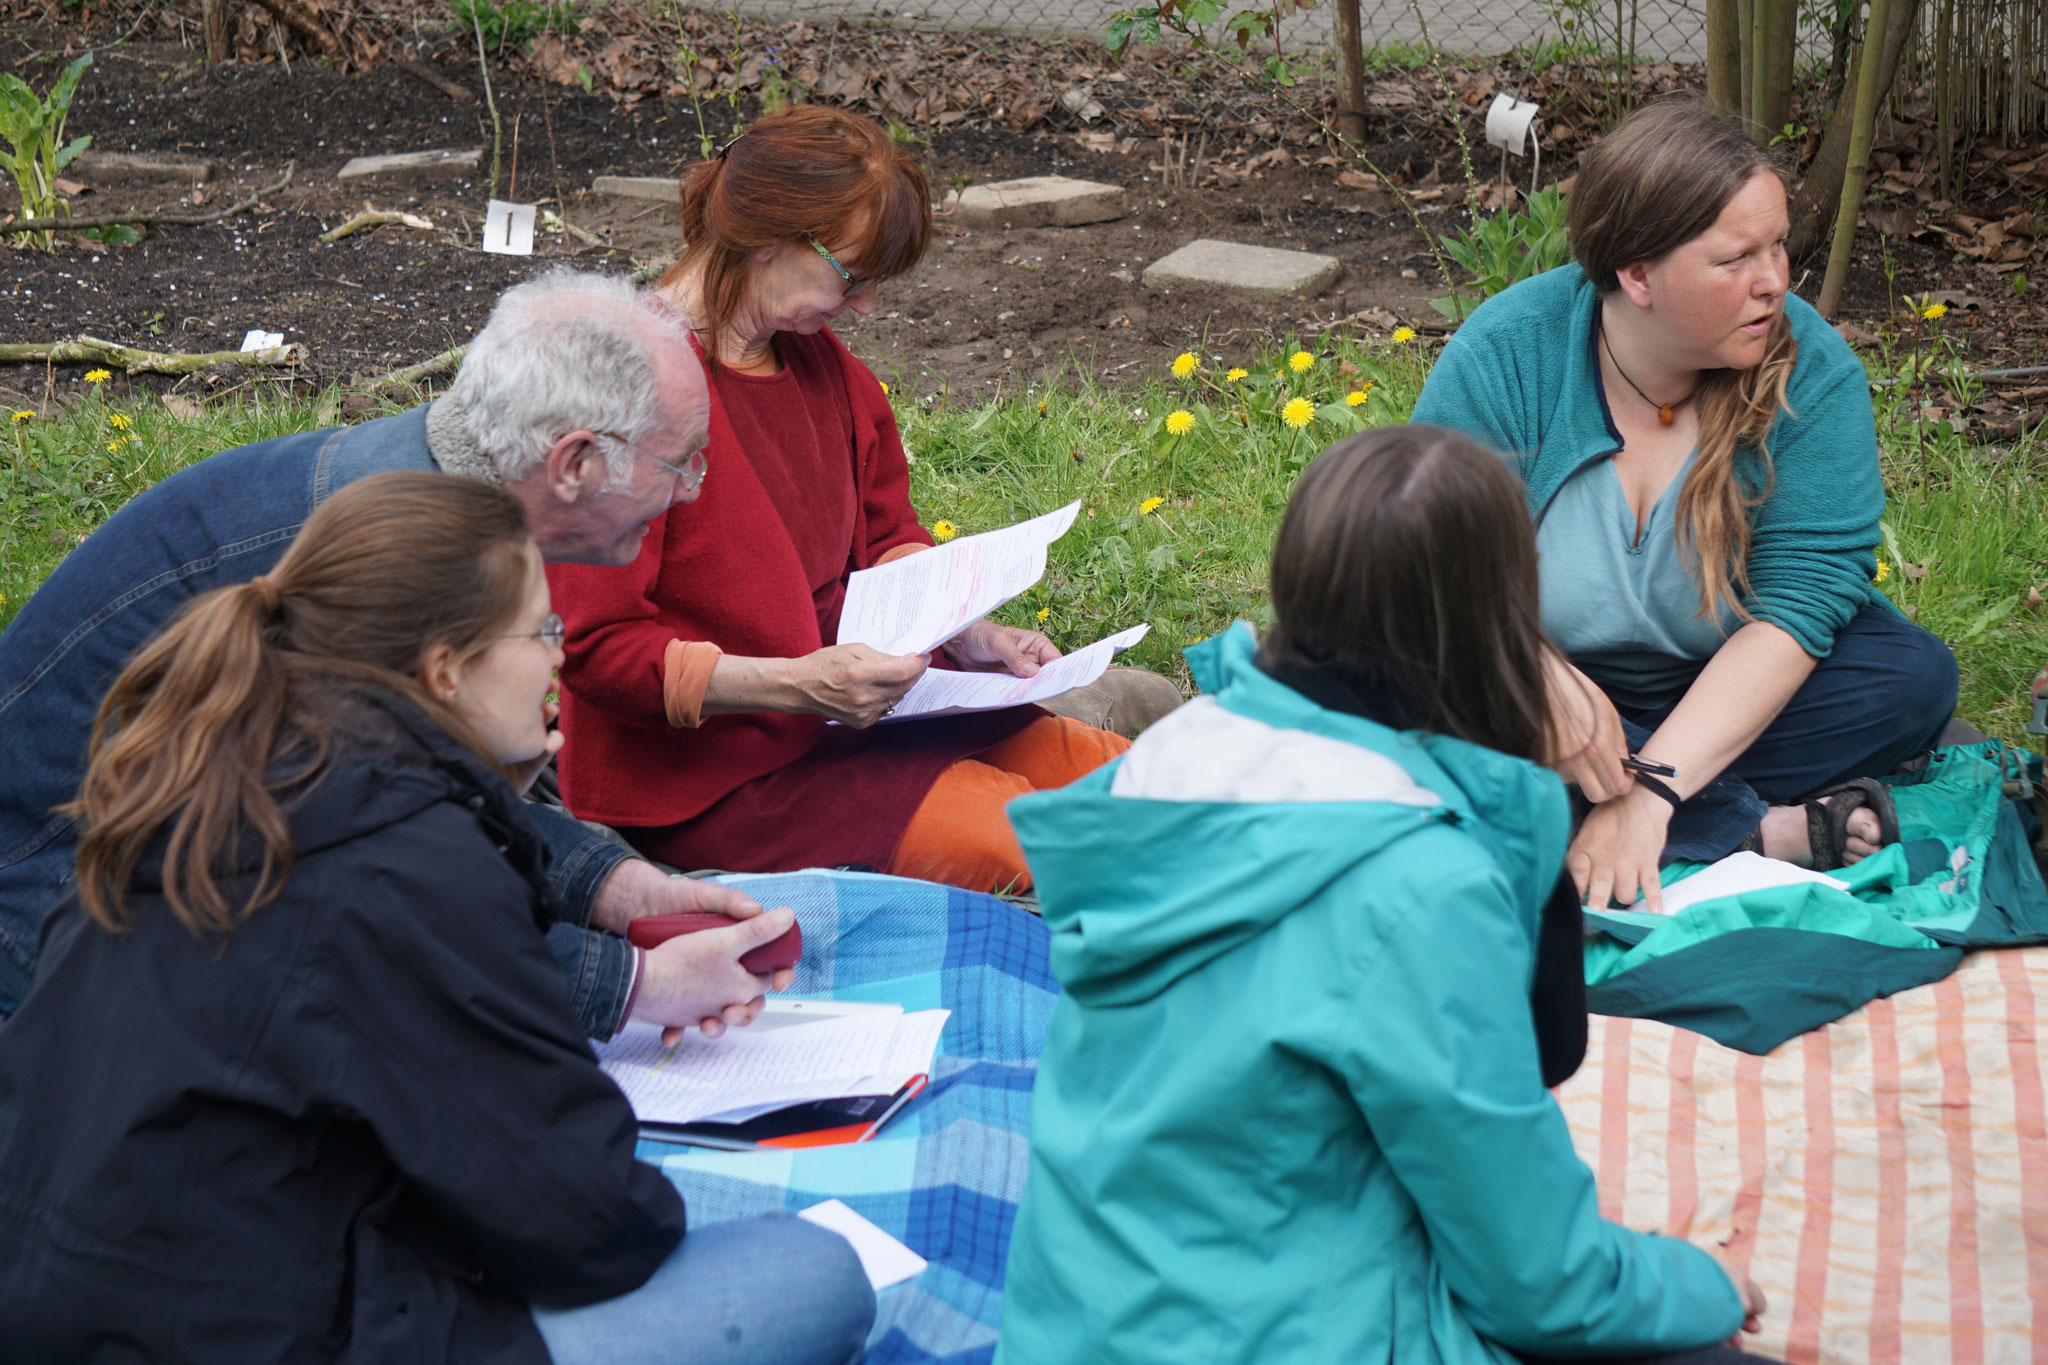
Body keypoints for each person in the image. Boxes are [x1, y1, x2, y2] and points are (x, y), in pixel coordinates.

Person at [0, 473, 874, 1363]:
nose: (559, 656)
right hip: (260, 1329)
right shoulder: (408, 859)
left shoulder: (205, 775)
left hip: (71, 1298)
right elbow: (590, 1222)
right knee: (811, 1271)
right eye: (540, 629)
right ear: (445, 668)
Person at [997, 428, 1768, 1365]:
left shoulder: (1168, 761)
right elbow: (1541, 1284)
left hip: (1081, 1326)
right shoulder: (1417, 884)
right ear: (1504, 618)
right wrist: (1700, 1282)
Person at [0, 269, 789, 1040]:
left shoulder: (440, 502)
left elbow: (435, 811)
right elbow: (379, 902)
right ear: (575, 463)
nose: (690, 490)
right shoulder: (390, 582)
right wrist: (636, 986)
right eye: (680, 461)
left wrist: (612, 885)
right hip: (64, 926)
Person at [546, 107, 1174, 895]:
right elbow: (597, 648)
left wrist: (969, 629)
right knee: (1063, 850)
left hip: (863, 715)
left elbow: (888, 541)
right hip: (717, 779)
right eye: (853, 276)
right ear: (769, 238)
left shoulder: (826, 372)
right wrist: (797, 683)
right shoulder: (625, 391)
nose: (867, 307)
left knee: (1150, 790)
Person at [1411, 97, 1958, 912]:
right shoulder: (1507, 353)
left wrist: (1648, 794)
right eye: (1736, 258)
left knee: (1913, 679)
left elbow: (1802, 604)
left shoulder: (1814, 371)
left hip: (1721, 686)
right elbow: (1430, 571)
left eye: (1778, 245)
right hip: (1536, 685)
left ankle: (1605, 813)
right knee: (1392, 674)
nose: (1774, 280)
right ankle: (1755, 829)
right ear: (1638, 276)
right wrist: (1538, 679)